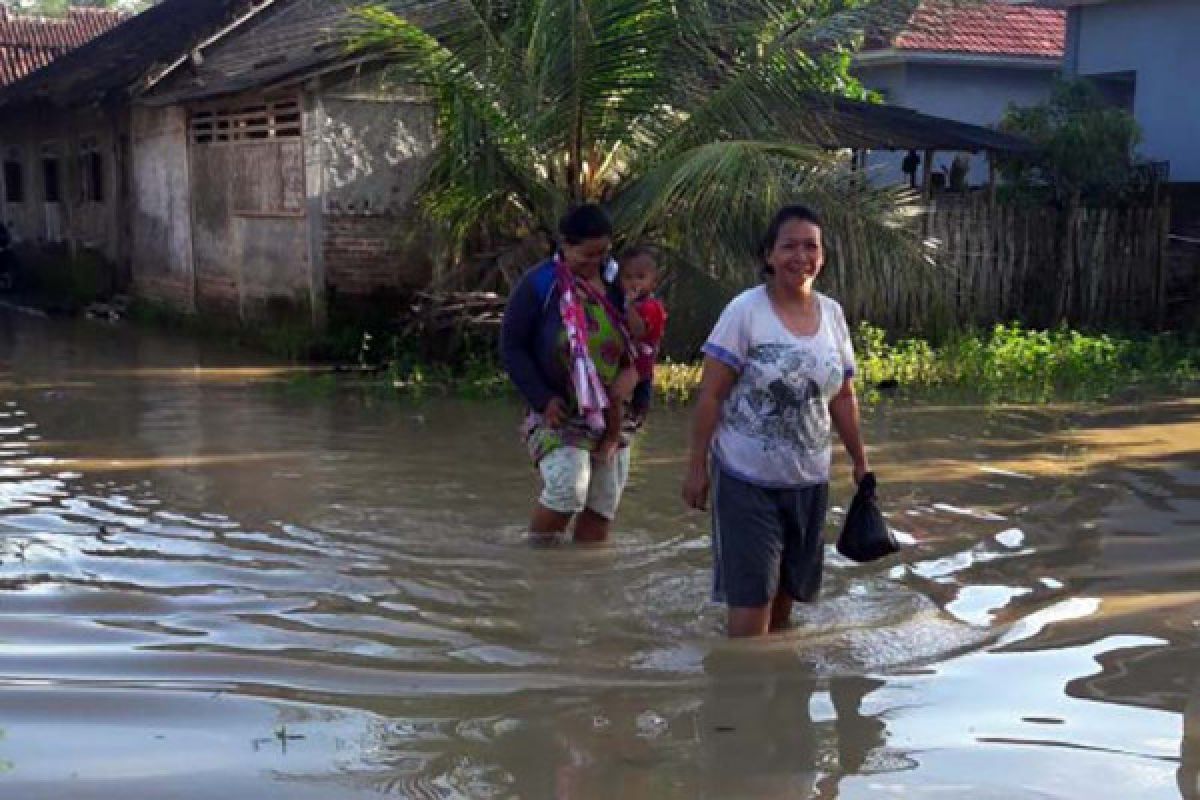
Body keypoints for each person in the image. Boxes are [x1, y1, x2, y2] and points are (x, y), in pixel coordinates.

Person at [682, 204, 870, 637]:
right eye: (789, 246)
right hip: (746, 480)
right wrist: (696, 468)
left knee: (786, 612)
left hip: (808, 482)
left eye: (811, 247)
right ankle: (742, 697)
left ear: (822, 256)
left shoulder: (833, 315)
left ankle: (780, 700)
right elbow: (711, 394)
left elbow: (842, 395)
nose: (800, 256)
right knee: (751, 614)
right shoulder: (745, 311)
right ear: (769, 254)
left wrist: (860, 461)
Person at [501, 204, 638, 544]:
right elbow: (511, 348)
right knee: (567, 491)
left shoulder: (618, 282)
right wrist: (542, 398)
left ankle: (587, 580)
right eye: (586, 254)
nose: (595, 263)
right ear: (565, 245)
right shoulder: (539, 284)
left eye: (603, 254)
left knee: (602, 503)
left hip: (614, 413)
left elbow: (643, 342)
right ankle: (537, 566)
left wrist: (633, 377)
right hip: (559, 412)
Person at [617, 246, 667, 426]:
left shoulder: (650, 307)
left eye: (640, 277)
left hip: (640, 365)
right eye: (628, 277)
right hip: (626, 361)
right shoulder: (625, 302)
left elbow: (639, 331)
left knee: (634, 401)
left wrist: (630, 307)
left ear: (653, 282)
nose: (633, 283)